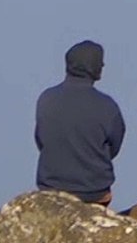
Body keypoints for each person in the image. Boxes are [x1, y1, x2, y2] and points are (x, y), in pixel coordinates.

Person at [35, 40, 126, 205]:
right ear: (94, 68)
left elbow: (41, 139)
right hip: (93, 191)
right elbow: (115, 146)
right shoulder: (107, 105)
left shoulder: (46, 99)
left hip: (51, 186)